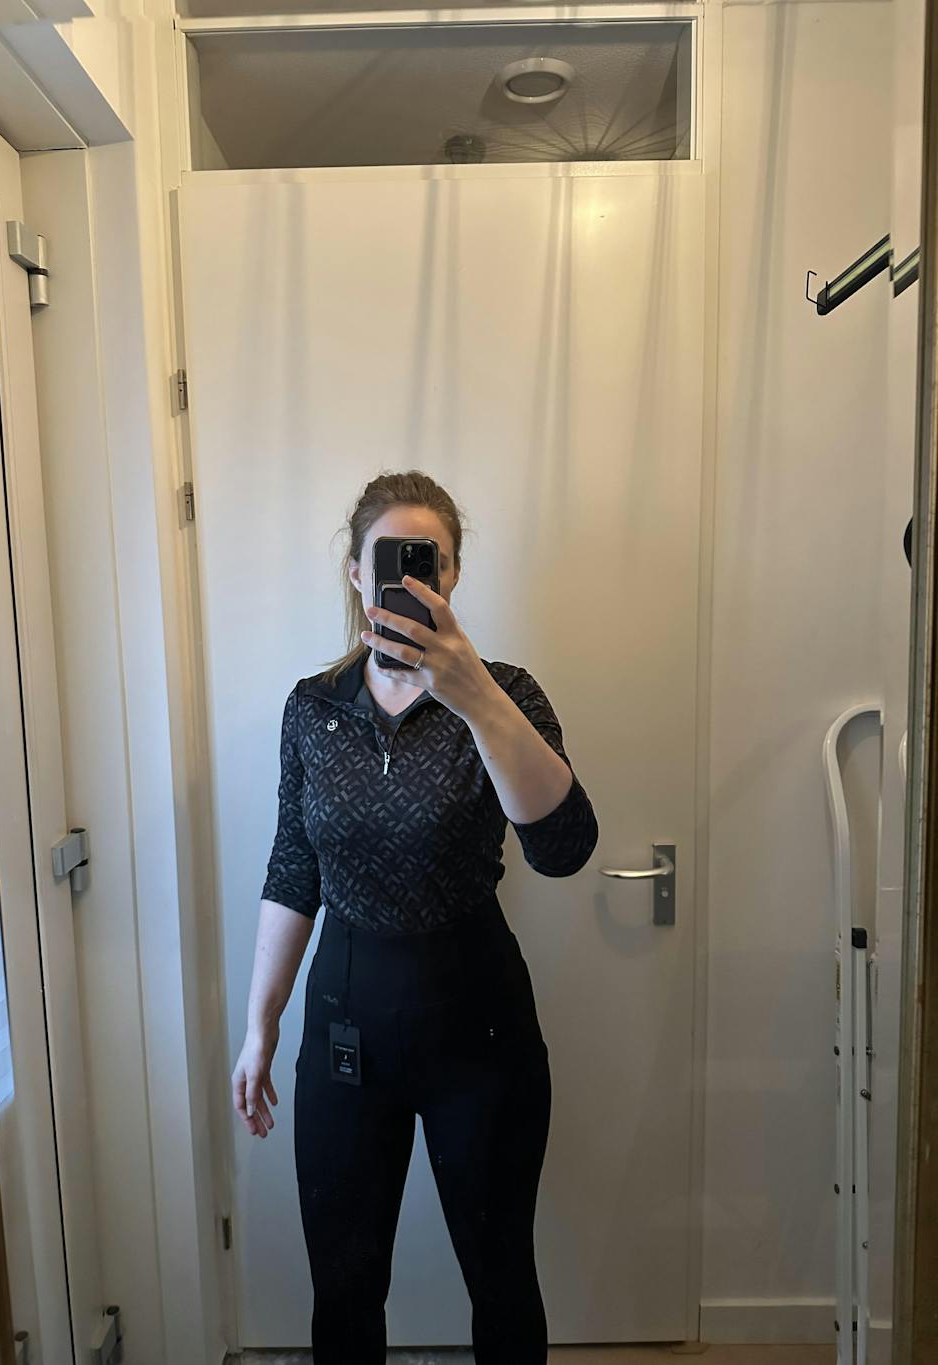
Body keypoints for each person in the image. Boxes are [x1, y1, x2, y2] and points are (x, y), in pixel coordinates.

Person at [232, 469, 599, 1364]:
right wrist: (259, 1025)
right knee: (345, 1286)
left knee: (501, 1276)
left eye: (424, 559)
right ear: (357, 573)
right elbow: (293, 868)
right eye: (388, 559)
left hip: (481, 1028)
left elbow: (564, 846)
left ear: (452, 574)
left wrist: (473, 695)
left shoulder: (506, 694)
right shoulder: (312, 708)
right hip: (346, 1030)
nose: (404, 577)